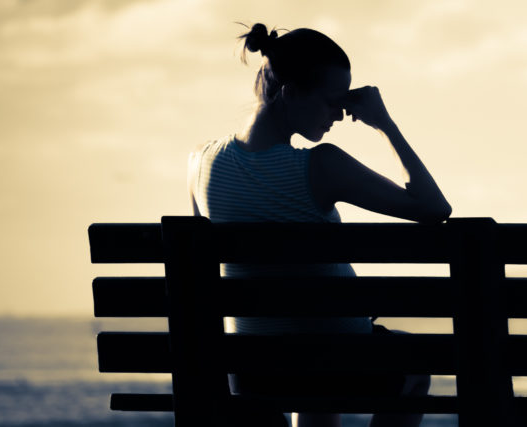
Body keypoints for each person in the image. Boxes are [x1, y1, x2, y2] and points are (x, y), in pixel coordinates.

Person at [187, 23, 448, 427]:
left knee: (313, 375)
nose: (341, 114)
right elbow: (433, 207)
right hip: (335, 364)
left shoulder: (201, 162)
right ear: (291, 94)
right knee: (413, 368)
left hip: (249, 372)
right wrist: (384, 123)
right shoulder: (321, 165)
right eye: (331, 102)